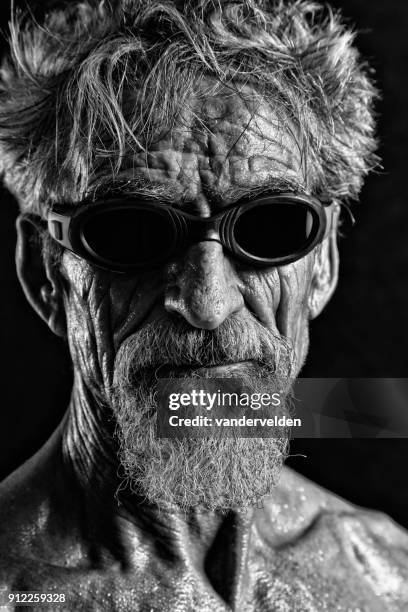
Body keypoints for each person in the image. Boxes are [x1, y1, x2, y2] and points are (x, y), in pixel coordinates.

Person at [0, 0, 407, 609]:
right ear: (46, 273)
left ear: (322, 266)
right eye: (131, 235)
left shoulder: (383, 570)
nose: (207, 303)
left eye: (270, 230)